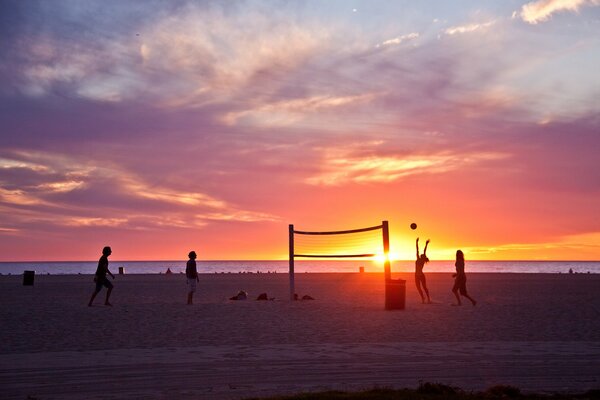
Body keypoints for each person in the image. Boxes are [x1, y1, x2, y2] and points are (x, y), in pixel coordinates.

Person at [415, 238, 431, 304]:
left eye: (423, 255)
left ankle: (428, 299)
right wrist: (416, 243)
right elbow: (417, 250)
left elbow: (423, 251)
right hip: (416, 275)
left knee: (424, 287)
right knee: (418, 288)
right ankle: (423, 298)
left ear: (423, 257)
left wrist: (426, 244)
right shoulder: (419, 259)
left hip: (421, 275)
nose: (421, 254)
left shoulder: (421, 260)